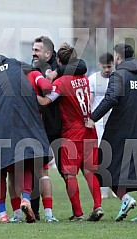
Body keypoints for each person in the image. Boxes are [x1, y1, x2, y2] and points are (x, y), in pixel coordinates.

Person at [0, 54, 52, 223]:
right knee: (24, 163)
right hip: (22, 123)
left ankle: (2, 213)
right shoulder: (22, 69)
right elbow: (46, 86)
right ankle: (26, 198)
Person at [86, 43, 137, 222]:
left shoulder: (119, 75)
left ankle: (125, 199)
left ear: (117, 57)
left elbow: (111, 97)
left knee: (104, 165)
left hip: (122, 129)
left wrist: (93, 117)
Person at [38, 43, 104, 222]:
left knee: (69, 174)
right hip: (89, 129)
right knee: (90, 171)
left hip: (72, 133)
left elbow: (45, 102)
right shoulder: (83, 77)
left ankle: (78, 213)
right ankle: (98, 205)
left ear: (59, 61)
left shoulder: (61, 83)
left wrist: (29, 93)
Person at [30, 35, 88, 220]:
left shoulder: (60, 67)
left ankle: (77, 212)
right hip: (38, 128)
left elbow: (82, 66)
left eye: (37, 50)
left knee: (66, 171)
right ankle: (35, 212)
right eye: (33, 49)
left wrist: (57, 72)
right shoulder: (32, 69)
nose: (33, 53)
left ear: (48, 53)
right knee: (35, 169)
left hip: (59, 129)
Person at [6, 63, 58, 223]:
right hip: (34, 129)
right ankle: (48, 214)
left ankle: (16, 214)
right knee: (42, 173)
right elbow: (47, 87)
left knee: (12, 173)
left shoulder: (8, 79)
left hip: (12, 130)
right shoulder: (34, 74)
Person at [89, 52, 116, 199]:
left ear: (113, 64)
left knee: (115, 154)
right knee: (102, 155)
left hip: (114, 122)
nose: (107, 69)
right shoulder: (93, 79)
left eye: (109, 66)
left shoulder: (117, 79)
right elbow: (90, 100)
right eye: (104, 67)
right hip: (98, 123)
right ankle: (104, 188)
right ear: (99, 65)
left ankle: (116, 187)